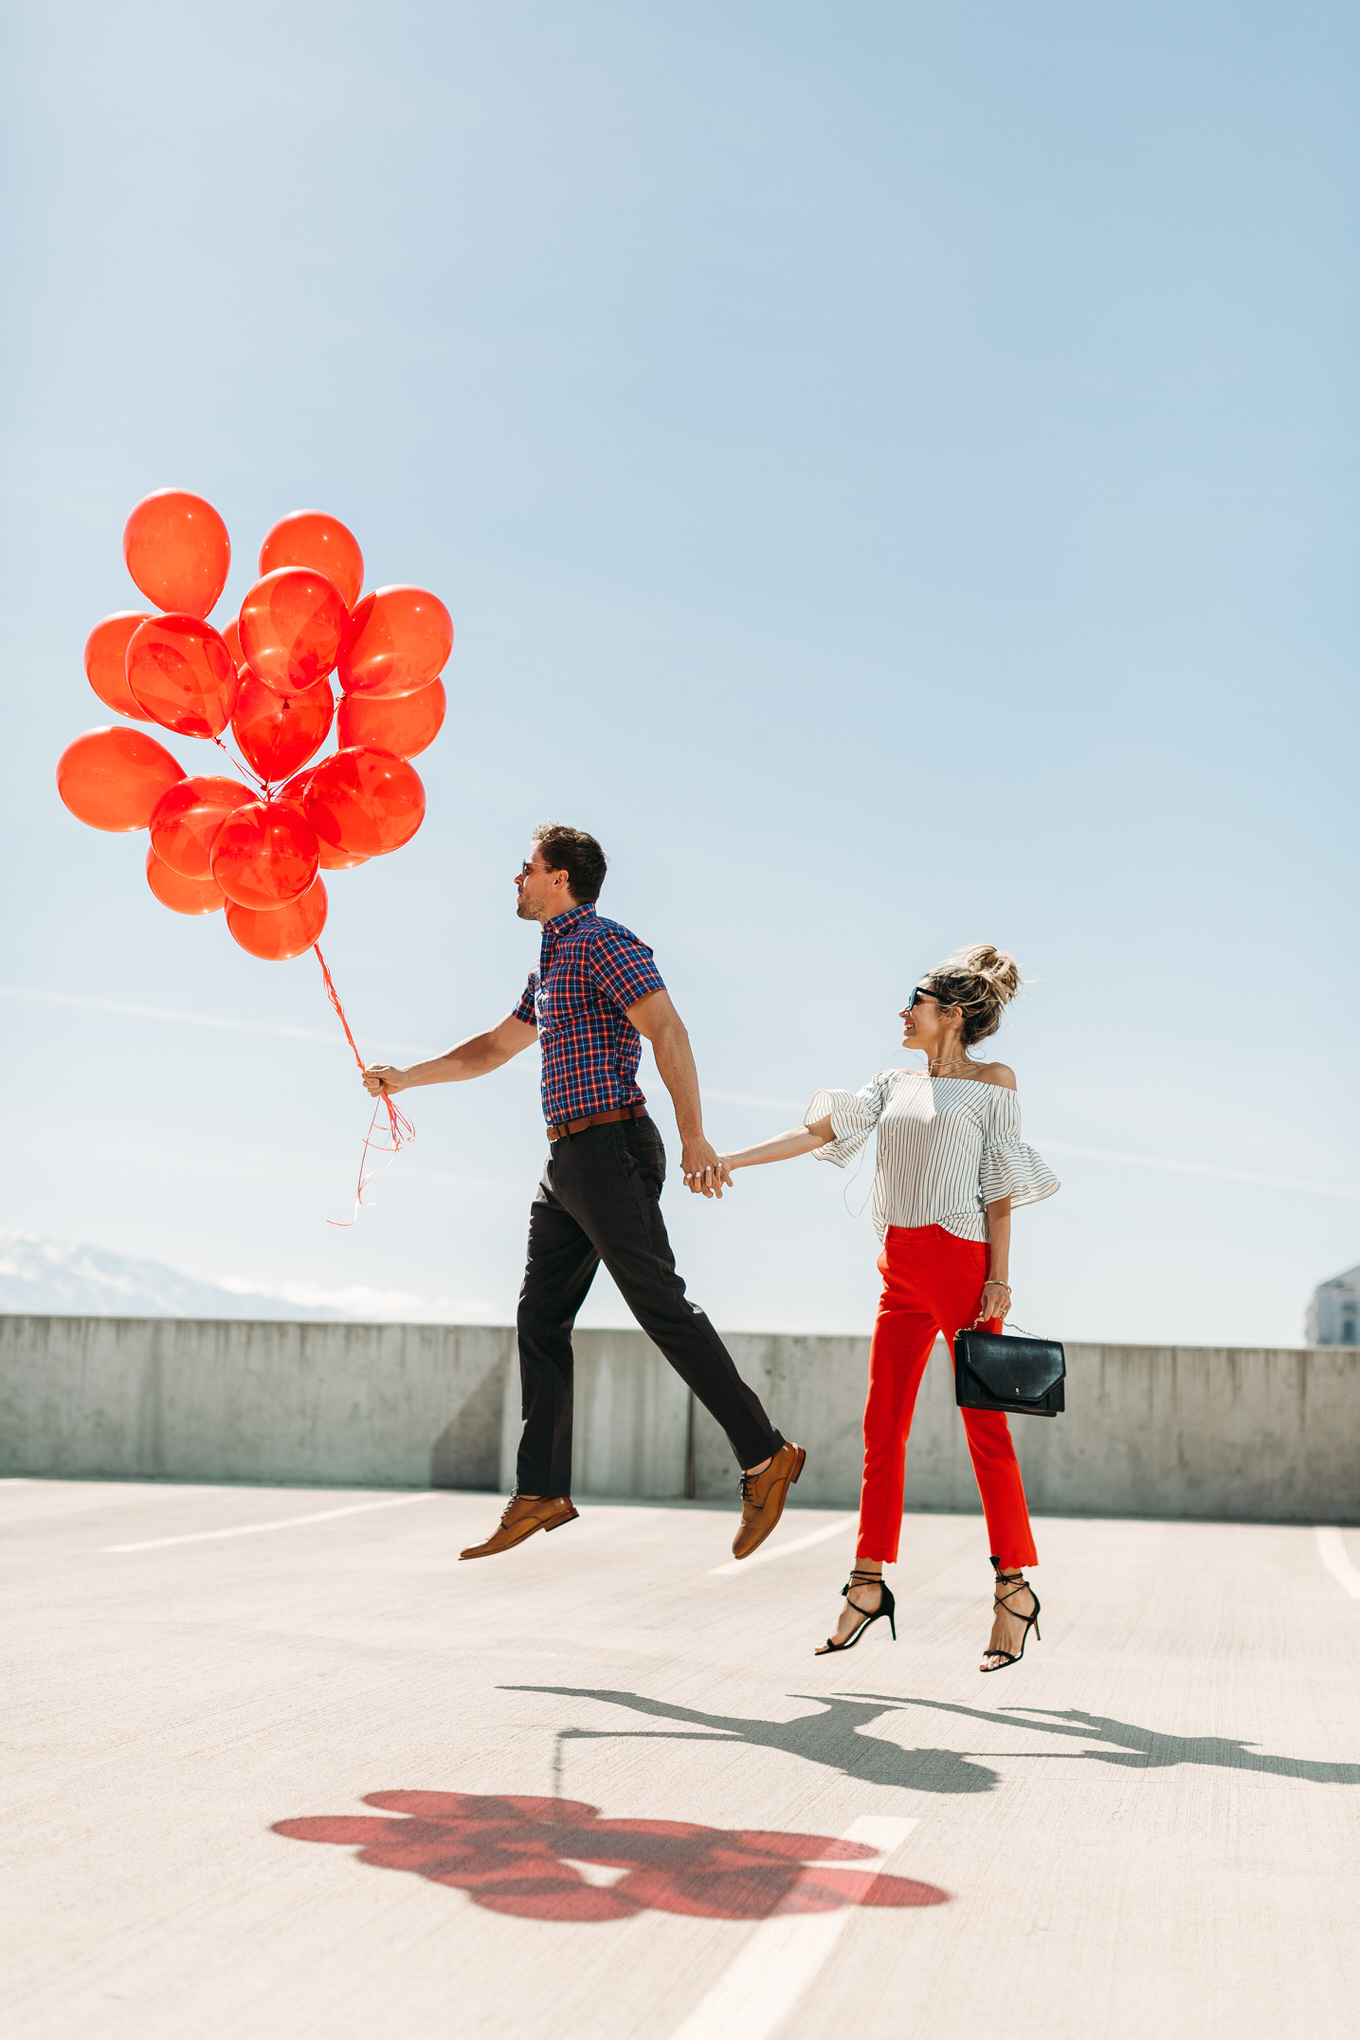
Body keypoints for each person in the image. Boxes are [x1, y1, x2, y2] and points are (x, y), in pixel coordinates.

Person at [362, 823, 805, 1563]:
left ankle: (766, 1455)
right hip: (566, 1160)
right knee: (539, 1317)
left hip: (612, 1147)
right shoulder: (549, 963)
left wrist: (696, 1135)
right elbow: (494, 1048)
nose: (516, 880)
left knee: (660, 1305)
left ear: (560, 877)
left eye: (526, 869)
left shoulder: (603, 941)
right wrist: (407, 1077)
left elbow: (666, 1029)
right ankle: (541, 1491)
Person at [706, 945, 1058, 1670]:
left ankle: (1013, 1591)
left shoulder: (994, 1085)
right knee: (881, 1430)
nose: (902, 1015)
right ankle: (866, 1586)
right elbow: (818, 1133)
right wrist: (728, 1160)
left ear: (951, 1015)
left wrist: (1000, 1278)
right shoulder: (892, 1082)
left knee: (983, 1430)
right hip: (899, 1267)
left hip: (962, 1266)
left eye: (915, 1004)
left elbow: (998, 1186)